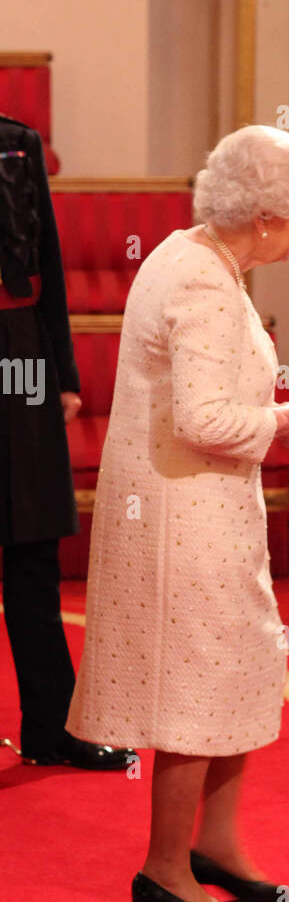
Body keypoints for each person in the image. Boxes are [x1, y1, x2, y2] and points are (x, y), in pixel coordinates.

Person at [65, 125, 289, 902]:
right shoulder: (205, 286)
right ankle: (166, 868)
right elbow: (206, 418)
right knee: (194, 685)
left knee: (237, 665)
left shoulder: (190, 251)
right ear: (265, 217)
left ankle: (216, 846)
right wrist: (284, 422)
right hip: (186, 514)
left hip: (193, 506)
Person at [0, 111, 128, 771]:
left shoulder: (16, 145)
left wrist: (63, 377)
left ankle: (52, 728)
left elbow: (46, 264)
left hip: (18, 357)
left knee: (32, 551)